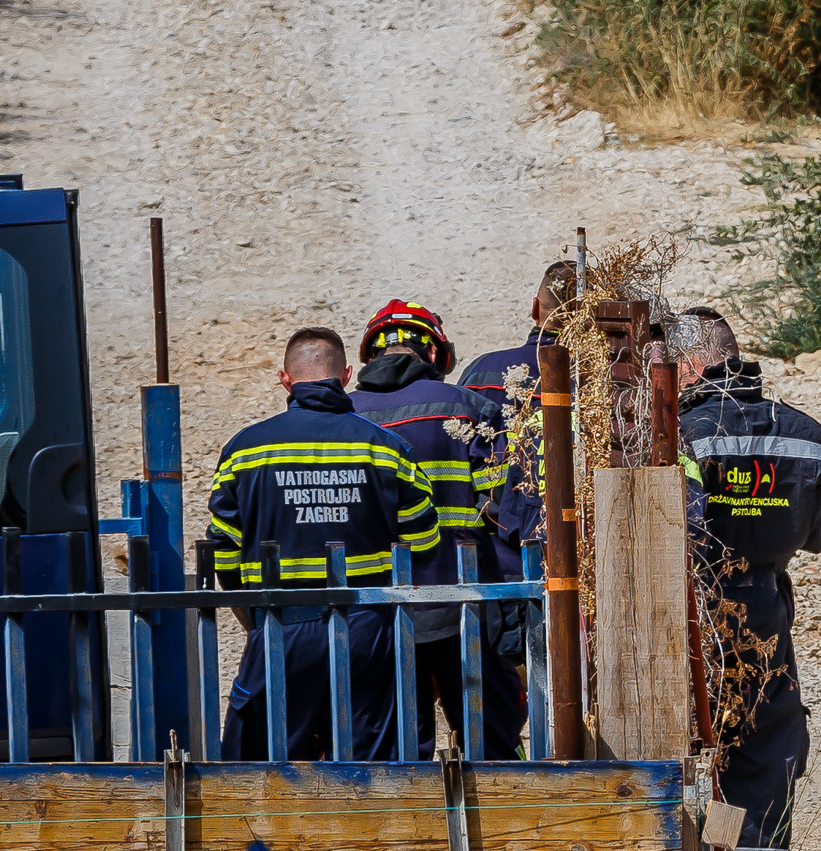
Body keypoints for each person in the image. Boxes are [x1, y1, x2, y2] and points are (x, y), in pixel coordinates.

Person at [677, 308, 821, 851]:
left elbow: (677, 536)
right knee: (764, 774)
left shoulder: (681, 436)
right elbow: (818, 534)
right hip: (769, 624)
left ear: (688, 365)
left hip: (699, 629)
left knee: (702, 771)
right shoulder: (804, 434)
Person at [206, 326, 439, 757]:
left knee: (260, 764)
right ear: (347, 375)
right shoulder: (387, 448)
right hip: (368, 627)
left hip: (280, 623)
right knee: (372, 765)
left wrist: (251, 619)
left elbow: (223, 551)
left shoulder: (245, 450)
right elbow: (423, 540)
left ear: (285, 379)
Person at [348, 298, 525, 757]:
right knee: (491, 742)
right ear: (432, 354)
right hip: (463, 601)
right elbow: (497, 507)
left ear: (372, 355)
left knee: (400, 750)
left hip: (377, 608)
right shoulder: (468, 408)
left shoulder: (342, 419)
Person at [460, 257, 585, 586]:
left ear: (535, 309)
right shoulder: (601, 382)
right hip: (588, 565)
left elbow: (464, 470)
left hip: (505, 572)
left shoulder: (482, 373)